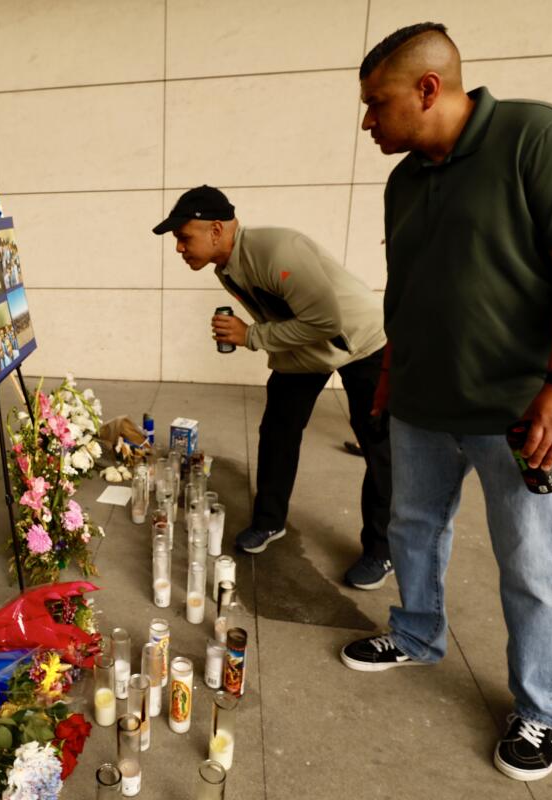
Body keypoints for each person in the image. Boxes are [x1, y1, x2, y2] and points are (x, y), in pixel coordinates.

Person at [338, 23, 552, 782]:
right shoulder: (405, 180)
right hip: (424, 401)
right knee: (413, 527)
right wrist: (395, 366)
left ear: (428, 89)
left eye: (377, 104)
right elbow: (412, 286)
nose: (368, 121)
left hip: (520, 412)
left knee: (534, 561)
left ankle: (544, 706)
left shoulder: (541, 139)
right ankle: (416, 631)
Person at [153, 185, 394, 589]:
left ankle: (382, 549)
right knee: (278, 431)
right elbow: (287, 319)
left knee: (379, 446)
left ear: (215, 229)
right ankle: (269, 522)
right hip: (305, 351)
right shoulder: (225, 267)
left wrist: (249, 336)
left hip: (362, 342)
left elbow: (325, 322)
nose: (179, 247)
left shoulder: (275, 252)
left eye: (183, 236)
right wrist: (255, 336)